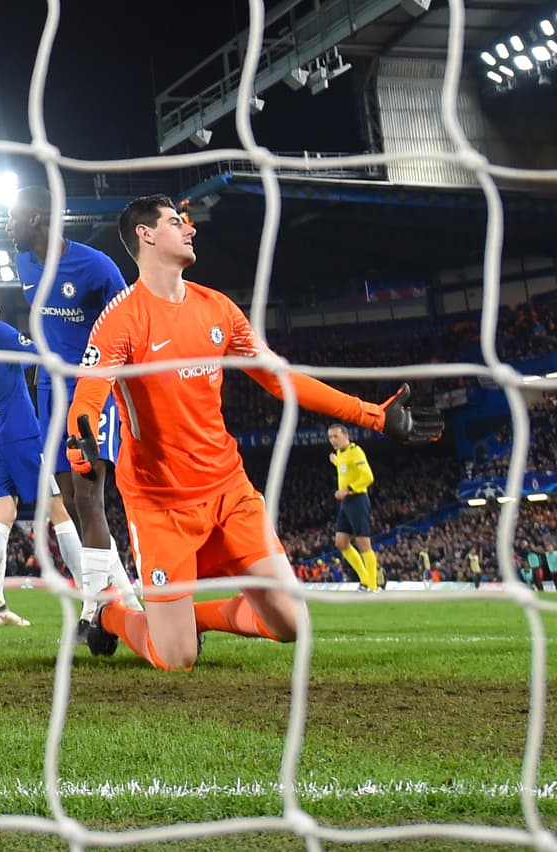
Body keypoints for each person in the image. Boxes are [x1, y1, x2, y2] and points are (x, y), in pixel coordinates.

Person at [71, 193, 443, 671]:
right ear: (145, 235)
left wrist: (374, 416)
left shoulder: (220, 310)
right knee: (176, 658)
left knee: (291, 625)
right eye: (174, 222)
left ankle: (188, 617)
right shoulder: (121, 318)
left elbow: (281, 379)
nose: (191, 229)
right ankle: (114, 612)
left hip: (229, 492)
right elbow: (88, 395)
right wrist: (81, 439)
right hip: (161, 502)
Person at [8, 185, 138, 638]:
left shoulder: (96, 267)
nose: (8, 227)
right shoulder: (23, 263)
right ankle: (130, 601)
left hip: (92, 390)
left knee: (89, 496)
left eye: (14, 218)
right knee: (73, 503)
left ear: (39, 219)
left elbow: (129, 325)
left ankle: (90, 614)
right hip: (49, 392)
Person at [0, 276, 111, 626]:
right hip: (21, 434)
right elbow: (41, 356)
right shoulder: (1, 332)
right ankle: (90, 596)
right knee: (59, 511)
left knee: (2, 515)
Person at [327, 423, 380, 592]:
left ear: (346, 436)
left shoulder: (355, 451)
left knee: (363, 543)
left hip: (357, 499)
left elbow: (368, 476)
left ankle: (372, 585)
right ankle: (364, 579)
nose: (332, 440)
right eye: (330, 437)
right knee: (341, 543)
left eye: (336, 436)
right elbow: (345, 469)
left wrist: (348, 489)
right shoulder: (340, 454)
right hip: (346, 503)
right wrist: (336, 462)